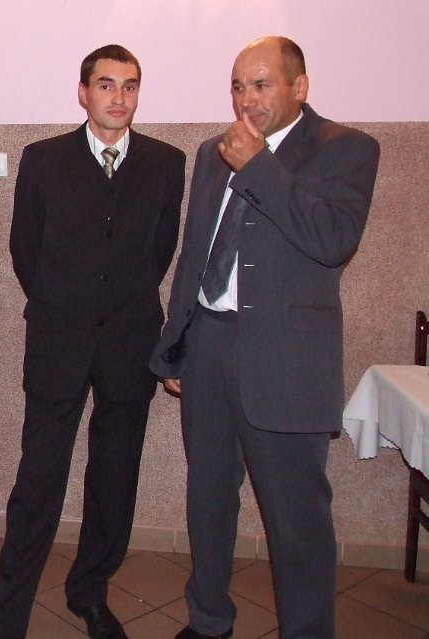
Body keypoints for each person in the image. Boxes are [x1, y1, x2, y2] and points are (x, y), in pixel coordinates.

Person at [149, 36, 380, 639]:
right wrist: (176, 343)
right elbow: (197, 251)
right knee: (208, 502)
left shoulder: (347, 149)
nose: (246, 99)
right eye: (237, 86)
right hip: (208, 348)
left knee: (297, 521)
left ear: (299, 87)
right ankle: (208, 620)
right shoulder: (212, 152)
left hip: (286, 361)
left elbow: (332, 240)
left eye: (261, 84)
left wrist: (258, 166)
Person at [0, 45, 185, 639]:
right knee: (38, 480)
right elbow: (25, 248)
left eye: (130, 85)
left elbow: (159, 252)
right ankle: (8, 611)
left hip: (129, 343)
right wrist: (64, 305)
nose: (118, 97)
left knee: (114, 480)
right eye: (106, 84)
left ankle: (89, 591)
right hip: (58, 342)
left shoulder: (166, 163)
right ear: (83, 92)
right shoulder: (44, 160)